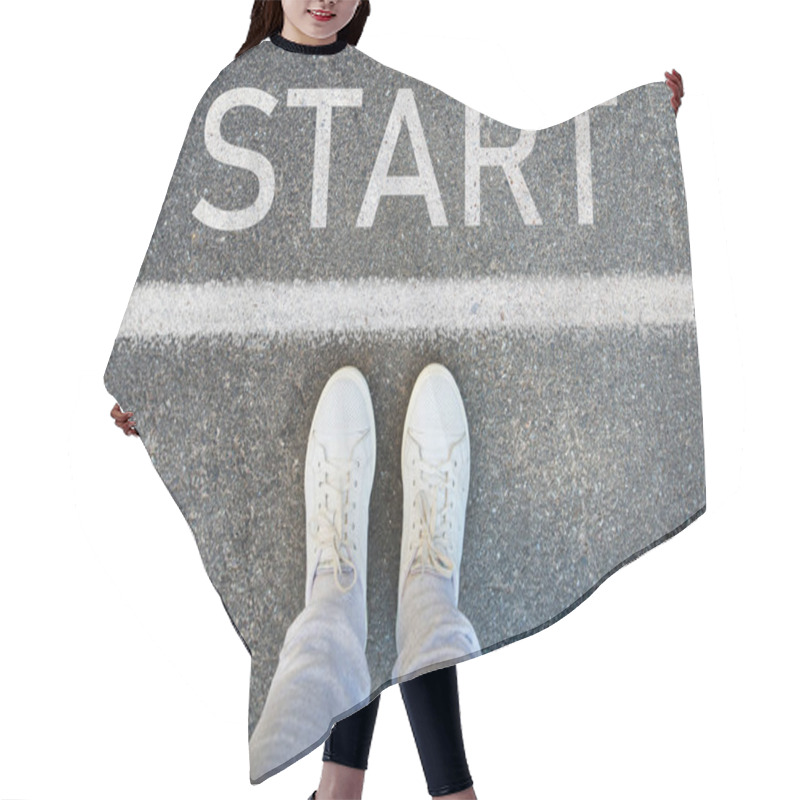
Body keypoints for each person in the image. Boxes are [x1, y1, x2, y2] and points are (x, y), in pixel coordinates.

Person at [110, 3, 685, 798]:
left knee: (369, 592)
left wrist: (627, 145)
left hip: (384, 367)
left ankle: (344, 789)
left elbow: (491, 176)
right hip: (290, 393)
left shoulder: (382, 99)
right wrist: (160, 379)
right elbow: (195, 258)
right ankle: (433, 790)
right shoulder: (239, 102)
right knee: (380, 589)